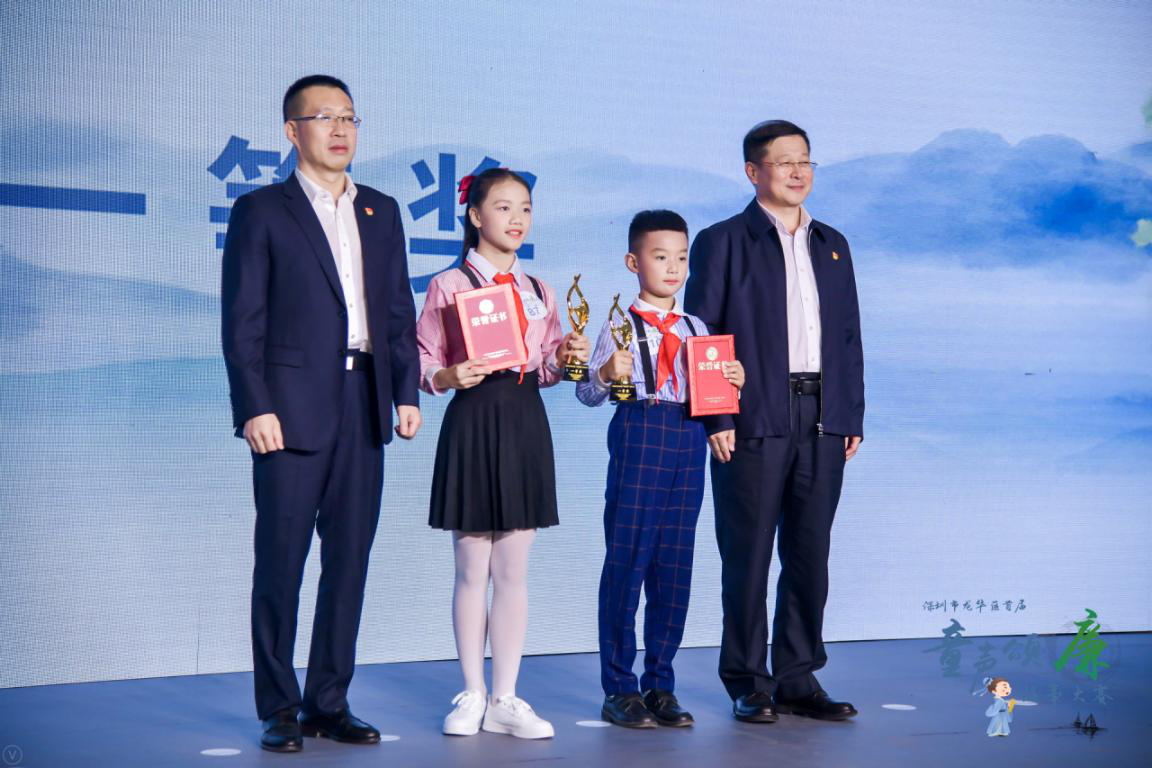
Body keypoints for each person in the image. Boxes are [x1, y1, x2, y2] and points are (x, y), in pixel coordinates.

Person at [221, 74, 422, 753]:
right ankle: (279, 705)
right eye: (324, 117)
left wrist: (404, 393)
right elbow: (242, 322)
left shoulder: (381, 211)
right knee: (280, 561)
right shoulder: (261, 211)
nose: (340, 130)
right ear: (292, 131)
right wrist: (254, 406)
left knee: (349, 561)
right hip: (288, 409)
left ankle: (328, 701)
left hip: (364, 401)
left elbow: (397, 311)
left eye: (350, 118)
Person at [684, 120, 864, 724]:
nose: (797, 172)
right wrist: (716, 414)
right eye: (784, 162)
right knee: (749, 554)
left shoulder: (833, 244)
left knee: (810, 551)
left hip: (823, 415)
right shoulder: (724, 241)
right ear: (752, 172)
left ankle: (797, 676)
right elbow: (703, 336)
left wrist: (849, 412)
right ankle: (747, 679)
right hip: (753, 414)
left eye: (805, 161)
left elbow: (848, 336)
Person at [415, 168, 589, 740]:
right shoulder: (449, 284)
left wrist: (564, 357)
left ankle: (506, 697)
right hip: (472, 417)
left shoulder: (540, 290)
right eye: (504, 207)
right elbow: (421, 360)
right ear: (474, 216)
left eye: (526, 208)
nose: (517, 219)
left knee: (513, 570)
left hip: (523, 419)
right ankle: (472, 692)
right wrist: (447, 375)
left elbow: (547, 369)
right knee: (472, 568)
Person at [577, 210, 744, 728]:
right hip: (640, 428)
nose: (673, 268)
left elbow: (710, 393)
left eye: (681, 258)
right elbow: (587, 394)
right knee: (628, 558)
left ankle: (660, 683)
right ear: (634, 262)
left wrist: (734, 382)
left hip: (688, 437)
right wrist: (605, 373)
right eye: (659, 256)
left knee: (675, 562)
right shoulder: (618, 323)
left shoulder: (697, 328)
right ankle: (619, 687)